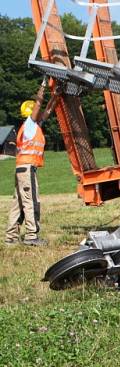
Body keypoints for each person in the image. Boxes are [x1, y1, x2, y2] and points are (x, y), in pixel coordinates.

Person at [5, 81, 59, 246]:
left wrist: (56, 95)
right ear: (30, 113)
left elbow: (47, 110)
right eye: (37, 111)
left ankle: (11, 238)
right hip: (27, 169)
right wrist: (43, 87)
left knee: (18, 203)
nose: (41, 113)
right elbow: (39, 104)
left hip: (22, 168)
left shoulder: (32, 127)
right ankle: (31, 237)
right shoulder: (29, 124)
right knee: (31, 202)